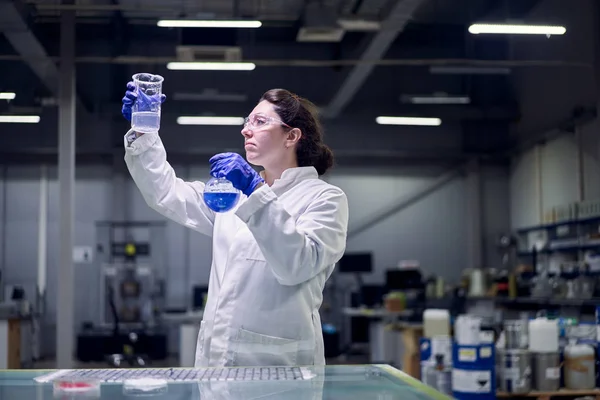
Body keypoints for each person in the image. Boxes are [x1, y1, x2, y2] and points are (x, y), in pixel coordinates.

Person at [120, 84, 349, 367]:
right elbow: (166, 194)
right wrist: (144, 131)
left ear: (292, 136)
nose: (246, 130)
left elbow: (296, 265)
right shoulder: (233, 198)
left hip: (280, 369)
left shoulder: (324, 198)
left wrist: (255, 191)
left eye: (260, 122)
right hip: (217, 363)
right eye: (247, 121)